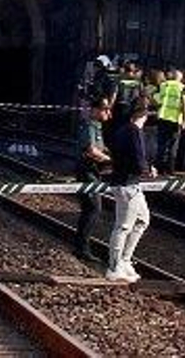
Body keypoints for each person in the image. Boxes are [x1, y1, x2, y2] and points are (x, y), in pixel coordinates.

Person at [104, 94, 156, 283]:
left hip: (128, 183)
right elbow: (137, 157)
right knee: (123, 226)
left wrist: (144, 168)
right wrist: (147, 170)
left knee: (142, 220)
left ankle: (124, 261)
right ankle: (114, 266)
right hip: (127, 184)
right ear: (145, 114)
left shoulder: (123, 129)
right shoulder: (134, 132)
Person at [73, 95, 112, 262]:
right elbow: (91, 150)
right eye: (104, 109)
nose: (108, 112)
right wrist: (110, 161)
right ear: (95, 110)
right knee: (93, 209)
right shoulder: (89, 125)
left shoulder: (97, 126)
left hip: (94, 172)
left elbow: (100, 148)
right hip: (86, 171)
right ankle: (82, 248)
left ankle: (82, 246)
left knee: (91, 209)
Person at [154, 67, 185, 170]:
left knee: (161, 144)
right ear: (180, 78)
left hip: (162, 117)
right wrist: (184, 120)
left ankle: (159, 167)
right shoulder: (182, 87)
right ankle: (170, 168)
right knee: (173, 145)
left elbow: (158, 100)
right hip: (175, 120)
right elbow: (184, 105)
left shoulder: (164, 85)